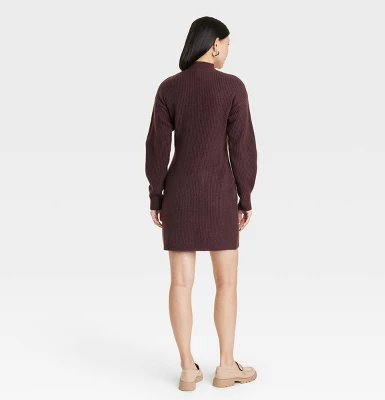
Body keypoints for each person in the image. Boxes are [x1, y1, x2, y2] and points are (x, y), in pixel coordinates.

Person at [145, 16, 258, 391]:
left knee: (180, 283)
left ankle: (187, 368)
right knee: (227, 284)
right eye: (227, 45)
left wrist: (156, 195)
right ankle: (226, 366)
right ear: (214, 45)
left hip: (178, 196)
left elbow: (157, 149)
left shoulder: (169, 88)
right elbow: (243, 148)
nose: (227, 52)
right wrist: (245, 196)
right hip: (219, 195)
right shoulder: (232, 87)